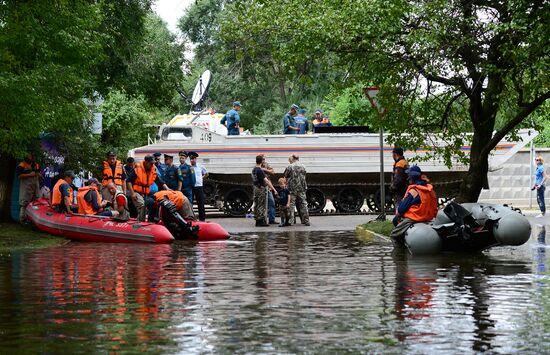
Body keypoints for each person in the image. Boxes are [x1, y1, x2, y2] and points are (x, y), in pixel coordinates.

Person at [390, 165, 438, 244]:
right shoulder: (430, 190)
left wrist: (397, 216)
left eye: (409, 176)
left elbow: (402, 208)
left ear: (412, 178)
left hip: (414, 218)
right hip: (428, 218)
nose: (408, 178)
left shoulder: (414, 191)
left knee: (393, 235)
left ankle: (399, 253)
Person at [126, 156, 169, 221]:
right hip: (136, 192)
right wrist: (132, 193)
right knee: (142, 205)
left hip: (146, 194)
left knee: (154, 203)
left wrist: (167, 188)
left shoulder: (152, 170)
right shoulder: (137, 169)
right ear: (146, 162)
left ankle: (150, 220)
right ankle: (141, 222)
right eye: (151, 163)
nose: (152, 165)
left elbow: (159, 181)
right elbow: (128, 181)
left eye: (153, 163)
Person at [284, 154, 310, 226]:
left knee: (291, 205)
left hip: (292, 188)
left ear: (293, 158)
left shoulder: (290, 166)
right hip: (301, 188)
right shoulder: (303, 166)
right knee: (303, 204)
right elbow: (304, 174)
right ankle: (306, 221)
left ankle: (291, 221)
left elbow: (286, 176)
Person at [252, 155, 278, 227]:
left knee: (257, 204)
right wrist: (274, 189)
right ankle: (261, 221)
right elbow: (266, 181)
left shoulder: (254, 169)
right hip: (261, 188)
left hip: (256, 188)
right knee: (261, 205)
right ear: (261, 161)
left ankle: (258, 220)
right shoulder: (260, 170)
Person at [16, 152, 41, 223]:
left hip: (35, 186)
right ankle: (23, 220)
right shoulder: (22, 165)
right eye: (30, 155)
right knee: (24, 202)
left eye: (33, 156)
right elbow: (19, 176)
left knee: (35, 202)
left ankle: (33, 220)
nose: (32, 157)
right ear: (26, 156)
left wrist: (38, 175)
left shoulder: (36, 165)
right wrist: (29, 174)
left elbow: (38, 172)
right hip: (26, 186)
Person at [189, 151, 208, 221]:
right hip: (191, 187)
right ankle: (191, 218)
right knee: (190, 203)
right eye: (191, 159)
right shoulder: (189, 167)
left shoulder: (200, 166)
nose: (192, 160)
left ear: (196, 159)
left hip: (199, 187)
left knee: (200, 203)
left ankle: (202, 219)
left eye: (193, 158)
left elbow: (206, 174)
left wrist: (201, 178)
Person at [261, 154, 277, 224]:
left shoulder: (266, 165)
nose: (264, 161)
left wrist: (265, 169)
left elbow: (273, 172)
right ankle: (262, 220)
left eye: (264, 159)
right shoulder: (257, 166)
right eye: (263, 159)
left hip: (268, 187)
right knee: (261, 205)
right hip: (261, 187)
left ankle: (271, 220)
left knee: (272, 202)